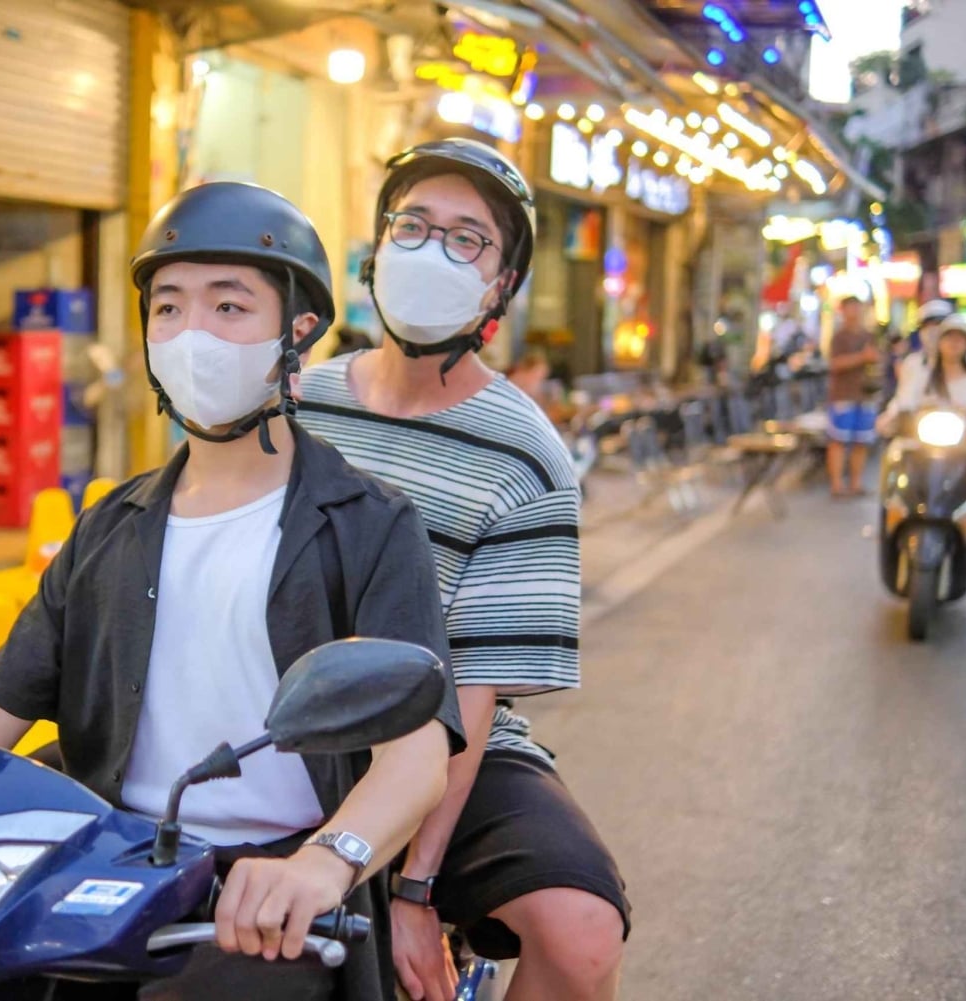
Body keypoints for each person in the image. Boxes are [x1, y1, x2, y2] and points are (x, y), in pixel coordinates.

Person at [0, 182, 465, 1001]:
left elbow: (415, 759)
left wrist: (323, 861)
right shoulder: (108, 529)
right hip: (95, 874)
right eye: (168, 308)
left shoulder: (369, 525)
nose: (193, 332)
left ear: (297, 331)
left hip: (264, 895)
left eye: (229, 307)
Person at [297, 138, 629, 1001]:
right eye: (414, 224)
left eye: (467, 238)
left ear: (500, 286)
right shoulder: (297, 402)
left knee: (583, 933)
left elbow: (475, 690)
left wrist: (417, 884)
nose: (431, 249)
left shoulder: (526, 454)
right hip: (278, 723)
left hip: (440, 742)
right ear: (377, 247)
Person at [877, 313, 966, 570]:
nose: (954, 344)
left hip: (964, 443)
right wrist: (888, 417)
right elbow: (904, 399)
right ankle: (889, 512)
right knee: (892, 455)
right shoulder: (923, 369)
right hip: (922, 440)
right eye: (949, 338)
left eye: (960, 339)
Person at [825, 295, 881, 497]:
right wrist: (861, 358)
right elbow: (834, 364)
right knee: (838, 440)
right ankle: (837, 484)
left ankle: (856, 483)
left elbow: (877, 360)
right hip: (843, 395)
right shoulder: (839, 337)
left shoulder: (869, 336)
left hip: (865, 396)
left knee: (861, 441)